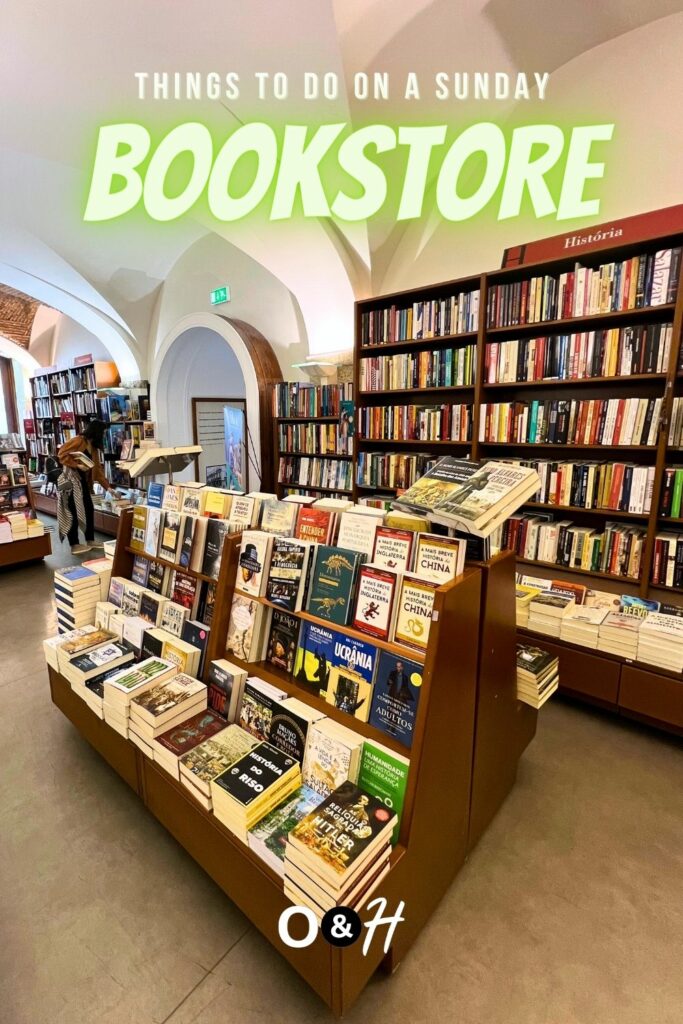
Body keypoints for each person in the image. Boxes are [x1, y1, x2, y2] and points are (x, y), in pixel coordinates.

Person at [57, 419, 115, 554]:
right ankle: (74, 544)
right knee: (72, 511)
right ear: (97, 432)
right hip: (71, 481)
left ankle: (90, 539)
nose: (104, 435)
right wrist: (77, 465)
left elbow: (97, 471)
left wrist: (109, 488)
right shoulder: (78, 441)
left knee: (88, 509)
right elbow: (61, 454)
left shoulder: (93, 447)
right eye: (103, 432)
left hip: (84, 483)